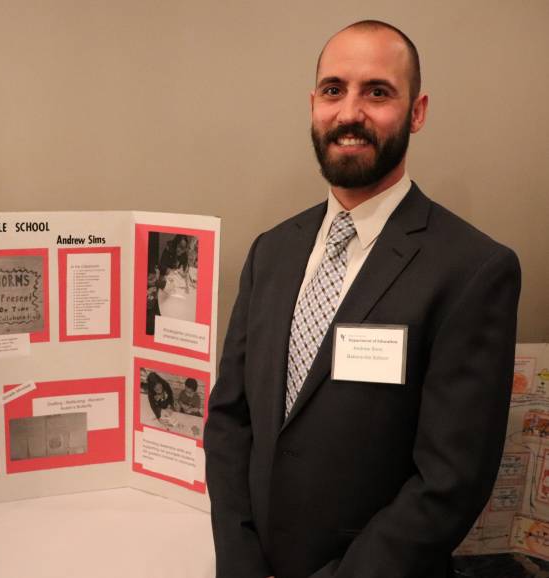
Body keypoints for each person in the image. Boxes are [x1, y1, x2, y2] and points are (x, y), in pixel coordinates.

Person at [204, 20, 520, 578]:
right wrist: (239, 560)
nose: (349, 113)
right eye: (334, 90)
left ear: (417, 112)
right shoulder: (271, 251)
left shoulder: (473, 271)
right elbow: (230, 420)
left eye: (377, 92)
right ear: (313, 105)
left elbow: (450, 482)